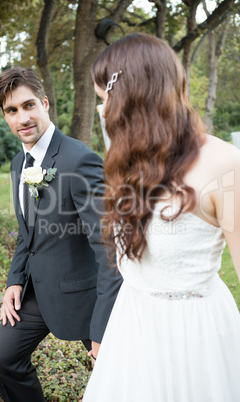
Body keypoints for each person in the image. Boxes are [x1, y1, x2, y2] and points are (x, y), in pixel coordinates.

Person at [83, 33, 240, 401]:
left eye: (103, 101)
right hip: (133, 330)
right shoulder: (128, 162)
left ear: (131, 98)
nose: (101, 113)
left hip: (196, 337)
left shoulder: (224, 164)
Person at [0, 67, 122, 401]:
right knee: (2, 361)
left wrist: (104, 328)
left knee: (117, 377)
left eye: (29, 105)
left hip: (84, 293)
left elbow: (108, 248)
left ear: (45, 103)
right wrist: (14, 280)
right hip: (36, 290)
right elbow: (26, 233)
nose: (23, 117)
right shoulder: (19, 164)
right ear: (5, 117)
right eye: (12, 111)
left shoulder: (80, 160)